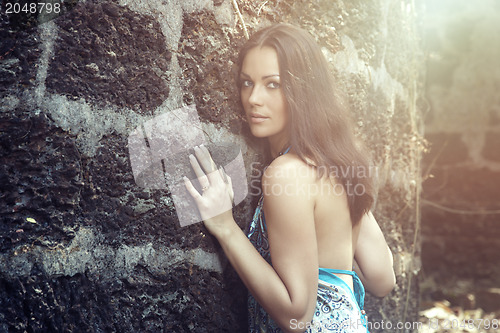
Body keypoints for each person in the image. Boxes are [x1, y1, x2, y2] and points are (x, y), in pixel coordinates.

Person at [183, 24, 395, 333]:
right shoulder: (339, 167)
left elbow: (297, 317)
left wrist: (225, 227)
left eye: (273, 85)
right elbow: (382, 277)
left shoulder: (286, 173)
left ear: (304, 91)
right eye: (246, 82)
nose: (253, 98)